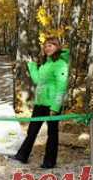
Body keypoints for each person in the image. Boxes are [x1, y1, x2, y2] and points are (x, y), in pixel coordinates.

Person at [13, 37, 69, 168]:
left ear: (57, 47)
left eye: (51, 45)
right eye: (46, 46)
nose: (47, 48)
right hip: (40, 103)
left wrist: (55, 107)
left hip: (52, 105)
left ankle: (49, 162)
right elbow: (37, 80)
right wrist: (32, 65)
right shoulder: (45, 63)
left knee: (52, 134)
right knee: (32, 131)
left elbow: (62, 87)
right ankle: (22, 155)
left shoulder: (61, 64)